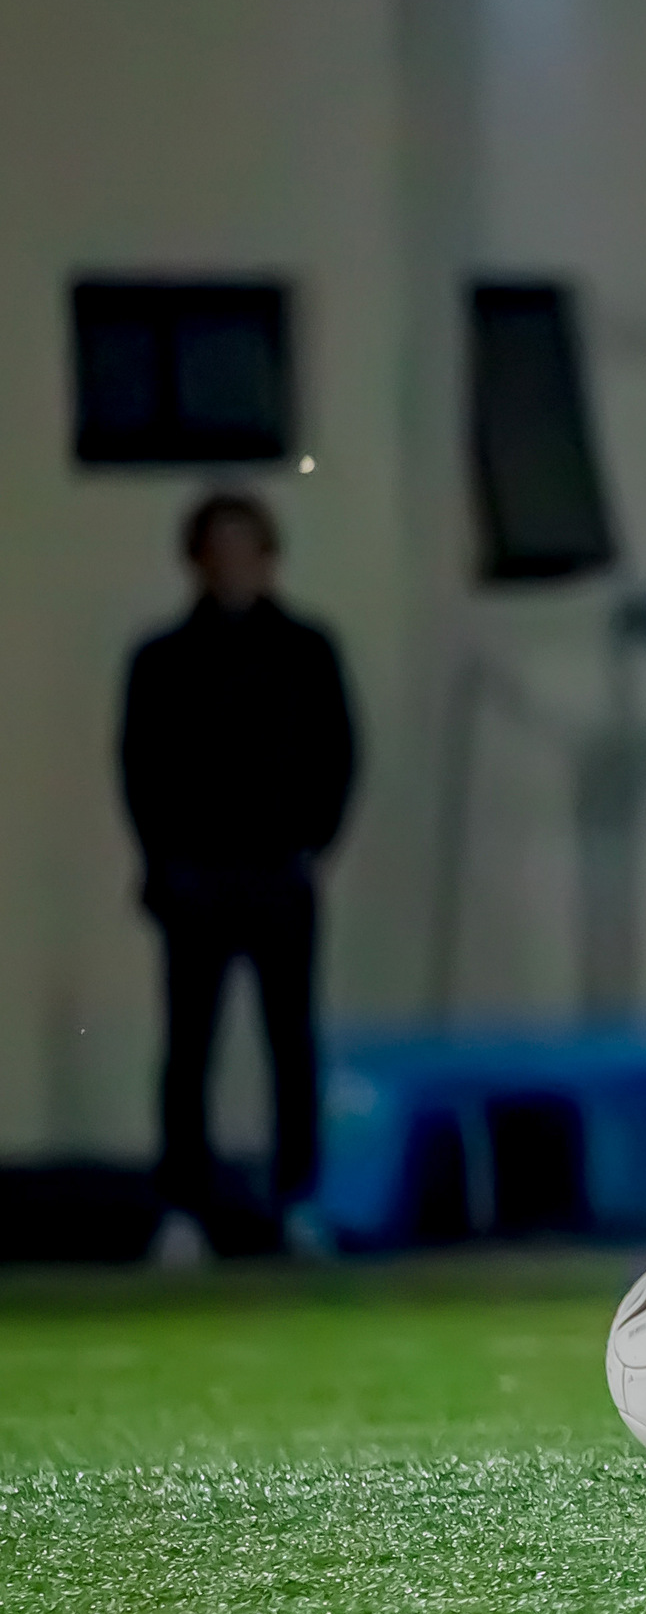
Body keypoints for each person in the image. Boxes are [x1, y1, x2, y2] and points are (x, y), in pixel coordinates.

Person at [121, 492, 358, 1253]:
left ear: (268, 557)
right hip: (196, 879)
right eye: (219, 550)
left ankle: (299, 1199)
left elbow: (339, 752)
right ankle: (183, 1207)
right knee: (189, 1048)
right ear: (196, 561)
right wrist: (165, 862)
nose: (233, 565)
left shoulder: (307, 652)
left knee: (291, 1043)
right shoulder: (162, 660)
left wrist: (312, 845)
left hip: (279, 875)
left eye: (246, 548)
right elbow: (139, 766)